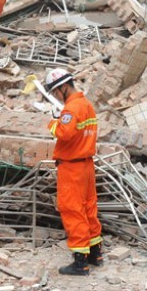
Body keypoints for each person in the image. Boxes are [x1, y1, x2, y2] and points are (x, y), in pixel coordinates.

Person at [44, 68, 102, 276]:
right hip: (87, 165)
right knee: (89, 209)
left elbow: (64, 133)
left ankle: (80, 263)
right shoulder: (86, 105)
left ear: (63, 88)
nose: (53, 96)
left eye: (53, 92)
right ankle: (95, 253)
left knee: (72, 210)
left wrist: (53, 121)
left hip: (72, 167)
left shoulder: (70, 109)